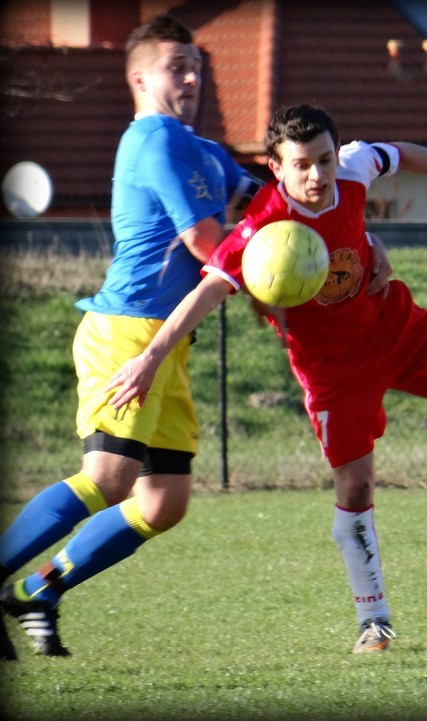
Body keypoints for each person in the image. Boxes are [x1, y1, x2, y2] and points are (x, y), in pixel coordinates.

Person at [104, 103, 427, 654]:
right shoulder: (262, 227)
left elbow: (402, 153)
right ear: (275, 167)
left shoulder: (353, 170)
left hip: (394, 327)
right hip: (332, 370)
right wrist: (149, 359)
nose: (317, 175)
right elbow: (208, 291)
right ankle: (373, 620)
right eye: (302, 164)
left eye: (325, 160)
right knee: (356, 487)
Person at [0, 14, 266, 660]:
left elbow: (262, 203)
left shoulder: (202, 149)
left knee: (163, 501)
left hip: (170, 340)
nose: (192, 78)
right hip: (126, 332)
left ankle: (37, 589)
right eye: (177, 67)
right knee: (108, 477)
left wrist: (328, 205)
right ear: (140, 79)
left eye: (196, 66)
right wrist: (271, 276)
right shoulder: (154, 143)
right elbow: (208, 242)